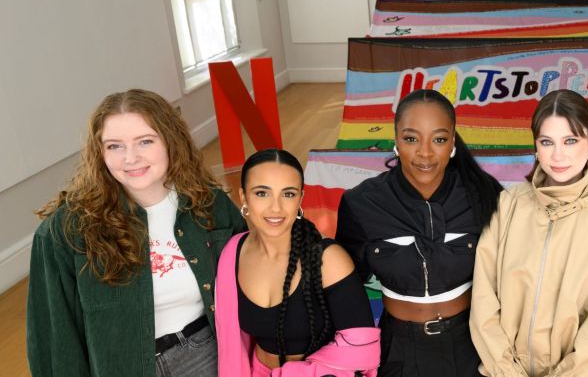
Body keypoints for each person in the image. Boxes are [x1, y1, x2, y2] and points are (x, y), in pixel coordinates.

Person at [27, 89, 247, 377]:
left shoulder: (210, 206)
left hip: (207, 357)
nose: (130, 158)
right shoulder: (66, 230)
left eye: (145, 141)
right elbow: (53, 338)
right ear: (99, 152)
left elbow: (253, 285)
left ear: (170, 141)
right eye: (114, 146)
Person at [336, 88, 504, 377]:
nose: (425, 153)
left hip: (473, 346)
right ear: (396, 140)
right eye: (411, 138)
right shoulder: (361, 203)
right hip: (399, 348)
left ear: (452, 141)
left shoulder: (485, 195)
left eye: (439, 139)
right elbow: (345, 287)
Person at [470, 90, 588, 376]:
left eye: (570, 140)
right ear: (536, 146)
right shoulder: (509, 204)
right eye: (547, 142)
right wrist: (506, 370)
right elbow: (484, 299)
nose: (558, 155)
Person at [215, 148, 380, 376]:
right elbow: (233, 344)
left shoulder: (328, 259)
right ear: (243, 197)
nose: (276, 207)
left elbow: (362, 348)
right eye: (262, 193)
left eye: (288, 194)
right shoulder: (233, 252)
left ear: (301, 199)